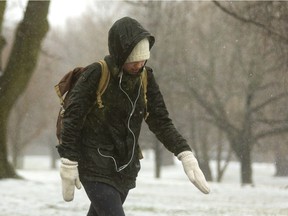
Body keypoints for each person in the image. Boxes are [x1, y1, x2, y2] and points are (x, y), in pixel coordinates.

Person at [57, 16, 210, 216]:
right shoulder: (97, 73)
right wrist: (68, 161)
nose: (139, 65)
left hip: (125, 167)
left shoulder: (146, 78)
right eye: (133, 60)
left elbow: (160, 121)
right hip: (94, 164)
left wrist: (185, 154)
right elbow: (72, 117)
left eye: (143, 59)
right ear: (121, 56)